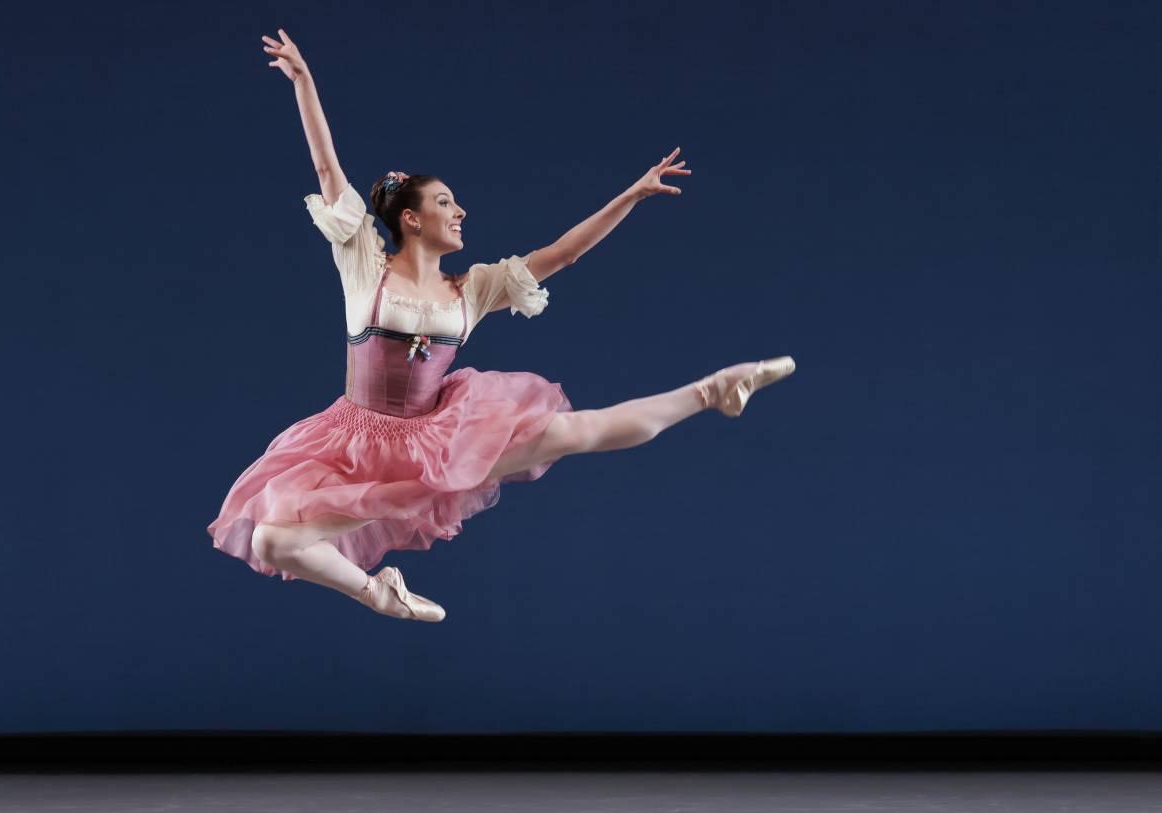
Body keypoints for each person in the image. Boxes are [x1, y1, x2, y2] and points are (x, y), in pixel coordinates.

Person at [206, 27, 796, 622]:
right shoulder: (364, 264)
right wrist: (304, 82)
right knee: (271, 540)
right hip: (356, 444)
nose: (460, 211)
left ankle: (712, 390)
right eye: (444, 203)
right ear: (409, 219)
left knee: (579, 431)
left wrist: (632, 196)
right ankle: (378, 592)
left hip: (440, 438)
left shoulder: (474, 288)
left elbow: (560, 254)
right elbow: (327, 168)